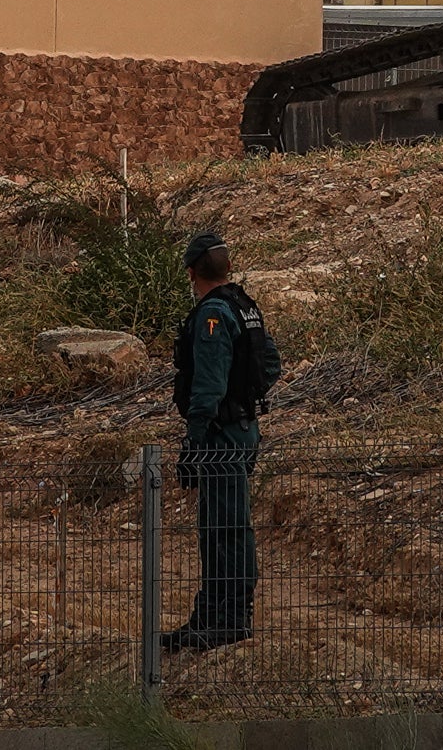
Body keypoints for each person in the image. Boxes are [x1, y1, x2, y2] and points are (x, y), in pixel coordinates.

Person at [166, 229, 273, 653]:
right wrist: (244, 400)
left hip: (221, 435)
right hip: (243, 428)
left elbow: (207, 386)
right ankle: (211, 616)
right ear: (228, 267)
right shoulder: (245, 306)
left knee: (225, 529)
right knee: (220, 526)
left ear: (192, 273)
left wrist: (194, 440)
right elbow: (271, 364)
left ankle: (229, 619)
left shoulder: (212, 313)